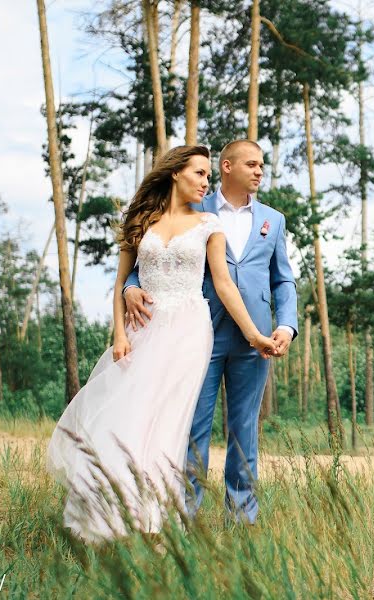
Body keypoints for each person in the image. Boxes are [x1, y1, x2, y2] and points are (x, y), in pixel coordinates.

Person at [46, 145, 277, 543]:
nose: (206, 183)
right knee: (131, 417)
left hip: (190, 331)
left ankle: (158, 525)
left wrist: (255, 334)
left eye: (208, 175)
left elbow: (223, 284)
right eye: (199, 174)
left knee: (172, 424)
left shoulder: (209, 224)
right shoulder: (140, 220)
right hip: (144, 331)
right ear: (175, 173)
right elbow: (122, 282)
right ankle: (114, 512)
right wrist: (119, 334)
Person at [123, 139, 298, 525]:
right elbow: (151, 253)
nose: (259, 171)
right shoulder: (193, 206)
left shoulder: (274, 219)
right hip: (198, 334)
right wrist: (129, 287)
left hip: (257, 340)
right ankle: (184, 517)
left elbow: (283, 280)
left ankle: (242, 519)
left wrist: (285, 324)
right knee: (191, 426)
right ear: (226, 167)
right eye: (252, 164)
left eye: (262, 165)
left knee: (244, 431)